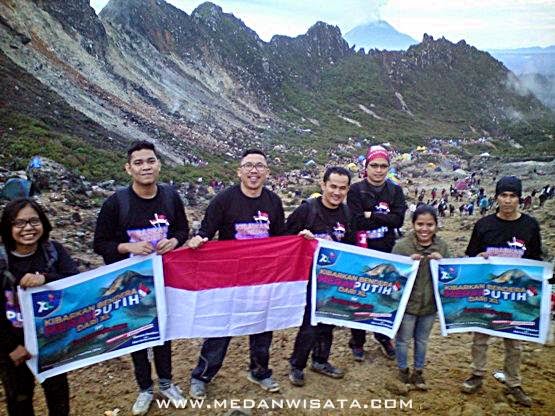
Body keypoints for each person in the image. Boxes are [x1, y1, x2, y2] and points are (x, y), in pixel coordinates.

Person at [93, 141, 189, 415]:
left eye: (150, 161)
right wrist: (128, 247)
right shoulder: (116, 203)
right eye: (139, 162)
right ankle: (145, 388)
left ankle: (168, 383)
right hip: (131, 283)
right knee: (136, 333)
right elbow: (100, 244)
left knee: (164, 332)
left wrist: (174, 240)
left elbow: (182, 228)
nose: (145, 167)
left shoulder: (170, 197)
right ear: (128, 168)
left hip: (165, 277)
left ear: (159, 164)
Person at [187, 149, 285, 399]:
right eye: (249, 165)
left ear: (267, 172)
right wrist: (199, 239)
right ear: (239, 171)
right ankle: (202, 375)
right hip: (229, 278)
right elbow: (207, 230)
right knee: (221, 328)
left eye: (259, 166)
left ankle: (260, 372)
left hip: (261, 277)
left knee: (263, 327)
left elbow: (281, 239)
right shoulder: (223, 200)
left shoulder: (273, 202)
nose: (254, 170)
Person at [461, 176, 542, 407]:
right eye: (503, 196)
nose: (508, 201)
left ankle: (514, 382)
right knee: (480, 337)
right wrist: (478, 258)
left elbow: (536, 260)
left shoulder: (530, 226)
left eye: (512, 196)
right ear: (495, 197)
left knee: (514, 342)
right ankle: (477, 374)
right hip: (487, 293)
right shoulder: (483, 225)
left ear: (520, 198)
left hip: (516, 295)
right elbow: (471, 257)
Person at [0, 198, 78, 416]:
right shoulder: (2, 259)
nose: (28, 228)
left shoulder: (54, 251)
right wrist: (10, 347)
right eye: (19, 223)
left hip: (52, 340)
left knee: (58, 395)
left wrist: (45, 278)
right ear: (8, 227)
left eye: (34, 221)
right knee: (19, 398)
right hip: (13, 343)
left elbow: (74, 281)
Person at [286, 166, 354, 387]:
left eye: (342, 188)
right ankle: (297, 365)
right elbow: (285, 239)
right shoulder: (306, 210)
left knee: (328, 322)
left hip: (334, 280)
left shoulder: (347, 214)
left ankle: (320, 360)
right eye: (332, 186)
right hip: (307, 278)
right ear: (323, 185)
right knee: (309, 324)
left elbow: (352, 246)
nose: (336, 192)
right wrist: (300, 238)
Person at [347, 145, 407, 361]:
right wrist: (385, 216)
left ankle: (382, 337)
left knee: (384, 296)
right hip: (362, 251)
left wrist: (371, 213)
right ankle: (357, 340)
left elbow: (398, 220)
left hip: (387, 251)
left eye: (383, 166)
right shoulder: (356, 190)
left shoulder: (395, 191)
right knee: (360, 296)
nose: (379, 170)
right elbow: (356, 221)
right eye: (374, 165)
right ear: (366, 167)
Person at [392, 205, 449, 390]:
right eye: (420, 224)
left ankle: (418, 372)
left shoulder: (442, 246)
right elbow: (391, 272)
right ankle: (403, 369)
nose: (425, 229)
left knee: (422, 340)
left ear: (436, 225)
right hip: (407, 305)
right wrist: (406, 264)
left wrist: (442, 263)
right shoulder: (402, 246)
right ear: (413, 224)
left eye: (430, 225)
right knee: (403, 340)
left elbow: (451, 276)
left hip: (429, 305)